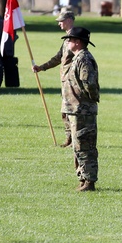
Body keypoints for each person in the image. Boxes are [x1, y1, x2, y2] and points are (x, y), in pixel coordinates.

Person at [60, 27, 100, 191]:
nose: (67, 42)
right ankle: (83, 178)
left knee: (85, 146)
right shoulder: (76, 57)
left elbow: (89, 84)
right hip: (75, 109)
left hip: (82, 110)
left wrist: (89, 100)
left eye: (70, 39)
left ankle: (89, 181)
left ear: (78, 42)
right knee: (78, 147)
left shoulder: (84, 59)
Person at [33, 10, 77, 145]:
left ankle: (75, 139)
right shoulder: (67, 39)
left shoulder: (76, 37)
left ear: (69, 20)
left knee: (71, 111)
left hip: (72, 81)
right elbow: (59, 57)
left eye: (61, 20)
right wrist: (42, 67)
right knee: (65, 111)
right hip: (65, 81)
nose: (59, 23)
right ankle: (69, 138)